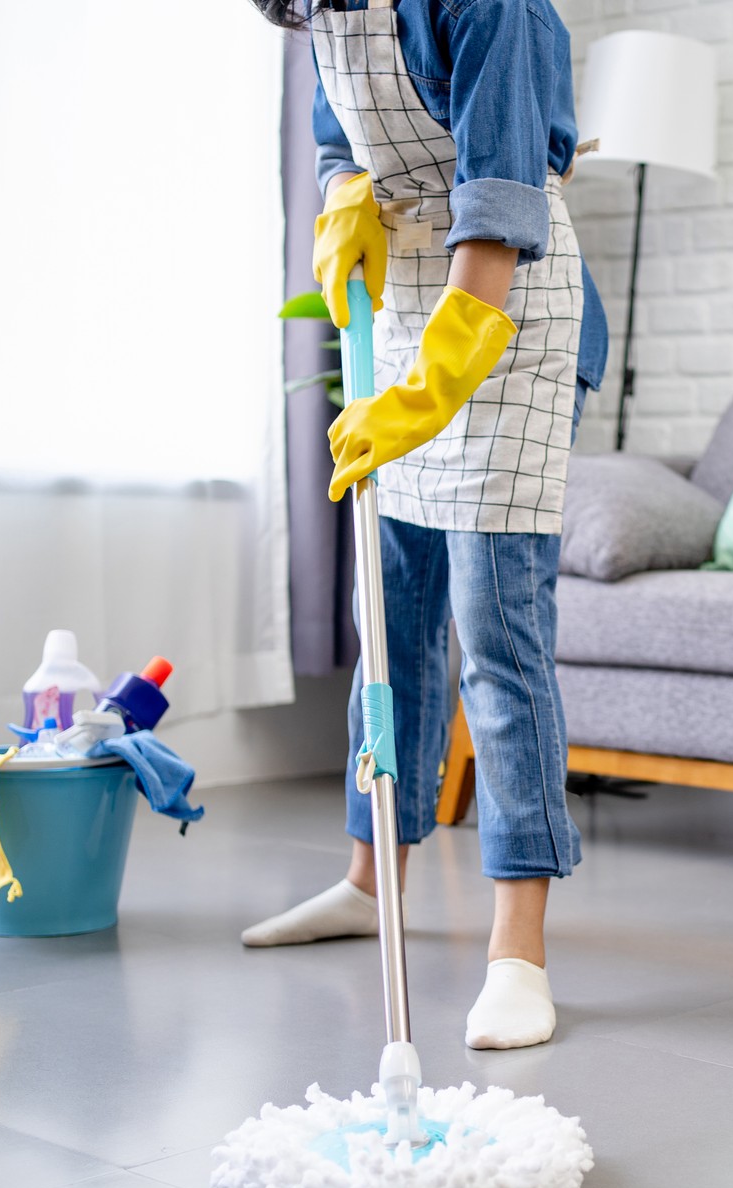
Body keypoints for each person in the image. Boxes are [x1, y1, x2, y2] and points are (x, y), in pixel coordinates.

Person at [243, 0, 607, 1053]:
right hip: (405, 313)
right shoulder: (329, 9)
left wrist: (439, 379)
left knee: (497, 638)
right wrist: (343, 196)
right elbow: (335, 136)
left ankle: (518, 950)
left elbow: (502, 200)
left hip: (505, 316)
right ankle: (369, 879)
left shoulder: (494, 7)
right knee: (389, 629)